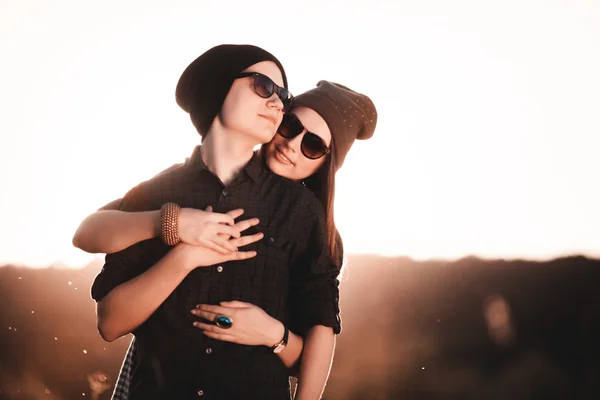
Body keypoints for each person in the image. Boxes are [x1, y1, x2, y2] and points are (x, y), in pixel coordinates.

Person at [82, 44, 376, 399]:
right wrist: (180, 243)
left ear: (324, 165)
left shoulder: (302, 214)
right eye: (291, 124)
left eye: (313, 146)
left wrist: (274, 335)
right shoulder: (157, 193)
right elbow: (94, 250)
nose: (293, 144)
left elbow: (318, 330)